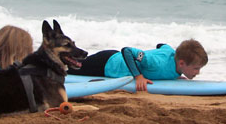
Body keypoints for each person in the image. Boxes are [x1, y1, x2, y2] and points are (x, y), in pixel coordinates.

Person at [70, 39, 208, 92]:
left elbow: (162, 45)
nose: (198, 72)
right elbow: (127, 51)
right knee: (68, 70)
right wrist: (139, 76)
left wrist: (174, 75)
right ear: (182, 63)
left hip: (111, 59)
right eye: (196, 68)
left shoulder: (174, 56)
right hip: (106, 64)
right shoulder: (155, 63)